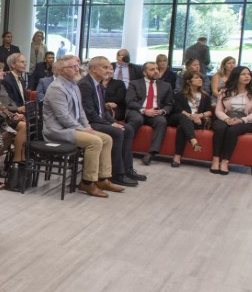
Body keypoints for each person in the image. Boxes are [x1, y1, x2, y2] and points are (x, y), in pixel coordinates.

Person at [43, 55, 120, 197]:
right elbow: (63, 117)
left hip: (74, 127)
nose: (77, 69)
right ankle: (87, 182)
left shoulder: (74, 85)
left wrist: (87, 126)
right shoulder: (56, 88)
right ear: (61, 71)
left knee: (107, 139)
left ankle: (102, 179)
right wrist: (83, 129)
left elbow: (81, 111)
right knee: (95, 141)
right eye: (72, 67)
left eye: (76, 66)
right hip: (58, 131)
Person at [80, 56, 142, 186]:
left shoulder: (99, 84)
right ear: (94, 69)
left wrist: (113, 121)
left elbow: (103, 110)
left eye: (109, 67)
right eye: (105, 67)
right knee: (118, 132)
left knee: (127, 128)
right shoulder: (85, 85)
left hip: (99, 120)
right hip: (89, 123)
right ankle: (116, 174)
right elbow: (89, 113)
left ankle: (127, 168)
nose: (108, 70)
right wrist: (110, 124)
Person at [210, 65, 252, 174]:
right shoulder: (225, 91)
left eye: (248, 74)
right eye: (243, 74)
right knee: (220, 127)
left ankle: (225, 161)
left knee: (232, 130)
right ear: (236, 76)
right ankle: (215, 160)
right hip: (226, 118)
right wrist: (227, 119)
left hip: (244, 121)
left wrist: (241, 120)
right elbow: (218, 110)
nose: (247, 76)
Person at [126, 60, 173, 165]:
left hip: (155, 112)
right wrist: (144, 110)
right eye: (152, 69)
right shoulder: (135, 83)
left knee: (162, 121)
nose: (156, 71)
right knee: (137, 119)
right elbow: (130, 101)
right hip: (138, 110)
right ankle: (125, 147)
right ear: (144, 72)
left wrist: (163, 110)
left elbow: (169, 104)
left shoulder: (166, 86)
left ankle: (151, 154)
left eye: (157, 69)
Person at [169, 71, 213, 167]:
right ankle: (193, 141)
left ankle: (177, 156)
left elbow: (209, 111)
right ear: (189, 81)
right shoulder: (180, 94)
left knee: (182, 127)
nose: (200, 79)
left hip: (198, 120)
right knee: (183, 118)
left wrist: (199, 115)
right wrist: (191, 116)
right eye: (196, 78)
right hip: (180, 117)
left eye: (200, 78)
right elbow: (178, 109)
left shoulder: (205, 96)